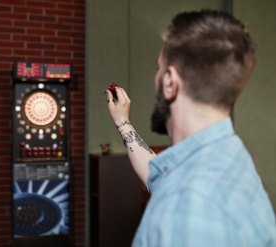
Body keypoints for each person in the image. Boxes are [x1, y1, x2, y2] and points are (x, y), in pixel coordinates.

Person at [105, 9, 276, 246]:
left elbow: (179, 195)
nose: (156, 78)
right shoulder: (225, 155)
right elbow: (158, 176)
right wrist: (122, 122)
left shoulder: (186, 209)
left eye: (158, 69)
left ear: (169, 82)